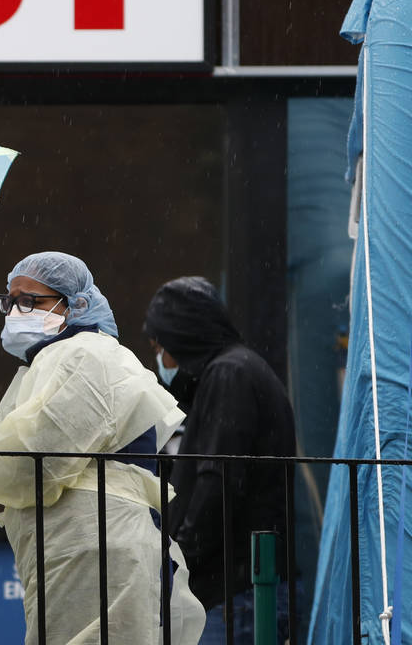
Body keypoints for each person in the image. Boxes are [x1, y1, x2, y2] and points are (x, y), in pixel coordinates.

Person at [0, 251, 205, 645]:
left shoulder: (84, 352)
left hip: (94, 544)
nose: (15, 311)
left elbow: (35, 461)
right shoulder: (63, 358)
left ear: (75, 304)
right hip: (87, 543)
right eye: (10, 300)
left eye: (30, 300)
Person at [144, 276, 296, 644]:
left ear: (181, 340)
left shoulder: (229, 374)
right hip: (240, 586)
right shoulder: (237, 369)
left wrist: (180, 557)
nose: (160, 359)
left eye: (159, 346)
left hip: (233, 592)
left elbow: (218, 480)